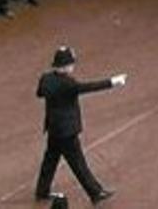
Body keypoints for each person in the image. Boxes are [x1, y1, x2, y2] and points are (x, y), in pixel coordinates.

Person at [35, 46, 126, 204]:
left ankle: (42, 190)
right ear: (66, 65)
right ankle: (95, 192)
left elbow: (40, 93)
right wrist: (112, 82)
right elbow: (88, 87)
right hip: (67, 131)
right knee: (78, 163)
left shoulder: (46, 79)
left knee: (50, 160)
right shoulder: (68, 84)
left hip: (54, 128)